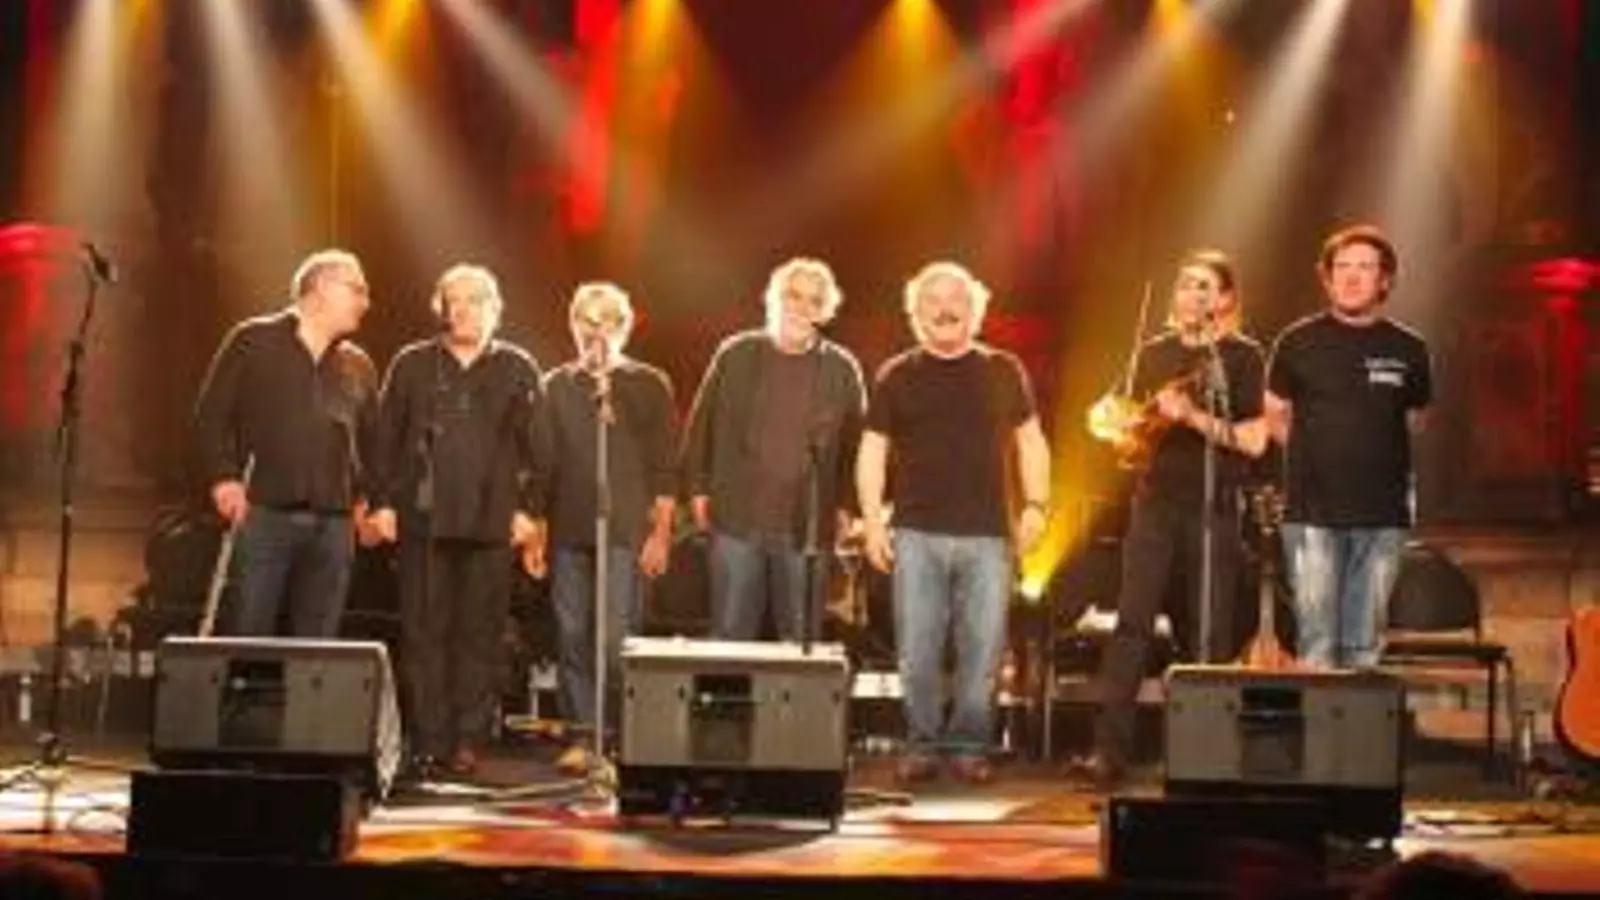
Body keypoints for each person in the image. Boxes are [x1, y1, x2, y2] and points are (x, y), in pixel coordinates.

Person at [1074, 250, 1268, 788]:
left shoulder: (1242, 357)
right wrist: (1114, 421)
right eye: (1185, 285)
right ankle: (1109, 751)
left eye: (1205, 286)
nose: (1193, 295)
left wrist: (1193, 417)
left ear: (1225, 298)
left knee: (1209, 629)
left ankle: (1203, 751)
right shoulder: (1153, 352)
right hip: (1155, 504)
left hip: (1215, 504)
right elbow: (1108, 416)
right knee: (1132, 624)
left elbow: (1254, 439)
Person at [856, 260, 1051, 784]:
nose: (945, 309)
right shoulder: (897, 374)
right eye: (933, 300)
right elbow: (872, 450)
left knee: (983, 650)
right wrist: (872, 521)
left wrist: (1037, 504)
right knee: (916, 649)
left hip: (989, 535)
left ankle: (967, 746)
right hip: (916, 534)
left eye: (956, 299)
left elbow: (1031, 440)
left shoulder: (1003, 369)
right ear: (916, 313)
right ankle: (921, 743)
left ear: (975, 309)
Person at [367, 264, 549, 778]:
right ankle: (429, 740)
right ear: (441, 309)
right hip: (423, 523)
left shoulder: (518, 367)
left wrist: (530, 512)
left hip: (492, 525)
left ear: (495, 308)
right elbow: (384, 439)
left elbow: (540, 449)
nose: (464, 310)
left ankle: (470, 739)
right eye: (455, 300)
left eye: (475, 300)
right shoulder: (412, 364)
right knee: (425, 633)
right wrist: (382, 502)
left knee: (480, 635)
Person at [1265, 225, 1432, 670]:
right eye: (1341, 267)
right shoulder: (1296, 342)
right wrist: (1316, 454)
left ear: (1385, 279)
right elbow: (1275, 414)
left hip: (1383, 515)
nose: (1352, 277)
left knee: (1364, 645)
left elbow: (1416, 418)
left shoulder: (1410, 347)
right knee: (1317, 643)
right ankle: (1321, 720)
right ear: (1326, 277)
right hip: (1312, 514)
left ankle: (1357, 719)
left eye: (1364, 267)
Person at [531, 282, 678, 775]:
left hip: (625, 531)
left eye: (607, 322)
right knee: (572, 633)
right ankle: (583, 736)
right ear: (573, 325)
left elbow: (664, 468)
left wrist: (660, 535)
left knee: (616, 637)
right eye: (587, 322)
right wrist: (537, 530)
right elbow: (543, 466)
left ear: (625, 327)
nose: (596, 332)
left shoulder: (648, 383)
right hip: (569, 529)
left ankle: (616, 736)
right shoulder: (555, 386)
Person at [194, 248, 378, 637]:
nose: (366, 302)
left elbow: (374, 442)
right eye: (357, 289)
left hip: (334, 525)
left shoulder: (358, 364)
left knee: (317, 649)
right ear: (322, 286)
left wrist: (368, 499)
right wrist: (223, 478)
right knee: (250, 635)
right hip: (264, 515)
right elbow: (211, 417)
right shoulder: (252, 340)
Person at [681, 257, 866, 642]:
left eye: (814, 301)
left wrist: (847, 505)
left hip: (807, 527)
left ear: (825, 312)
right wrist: (697, 487)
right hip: (736, 519)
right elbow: (702, 425)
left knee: (800, 642)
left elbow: (856, 445)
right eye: (794, 295)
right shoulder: (735, 353)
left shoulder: (841, 368)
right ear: (774, 299)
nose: (802, 307)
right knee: (729, 636)